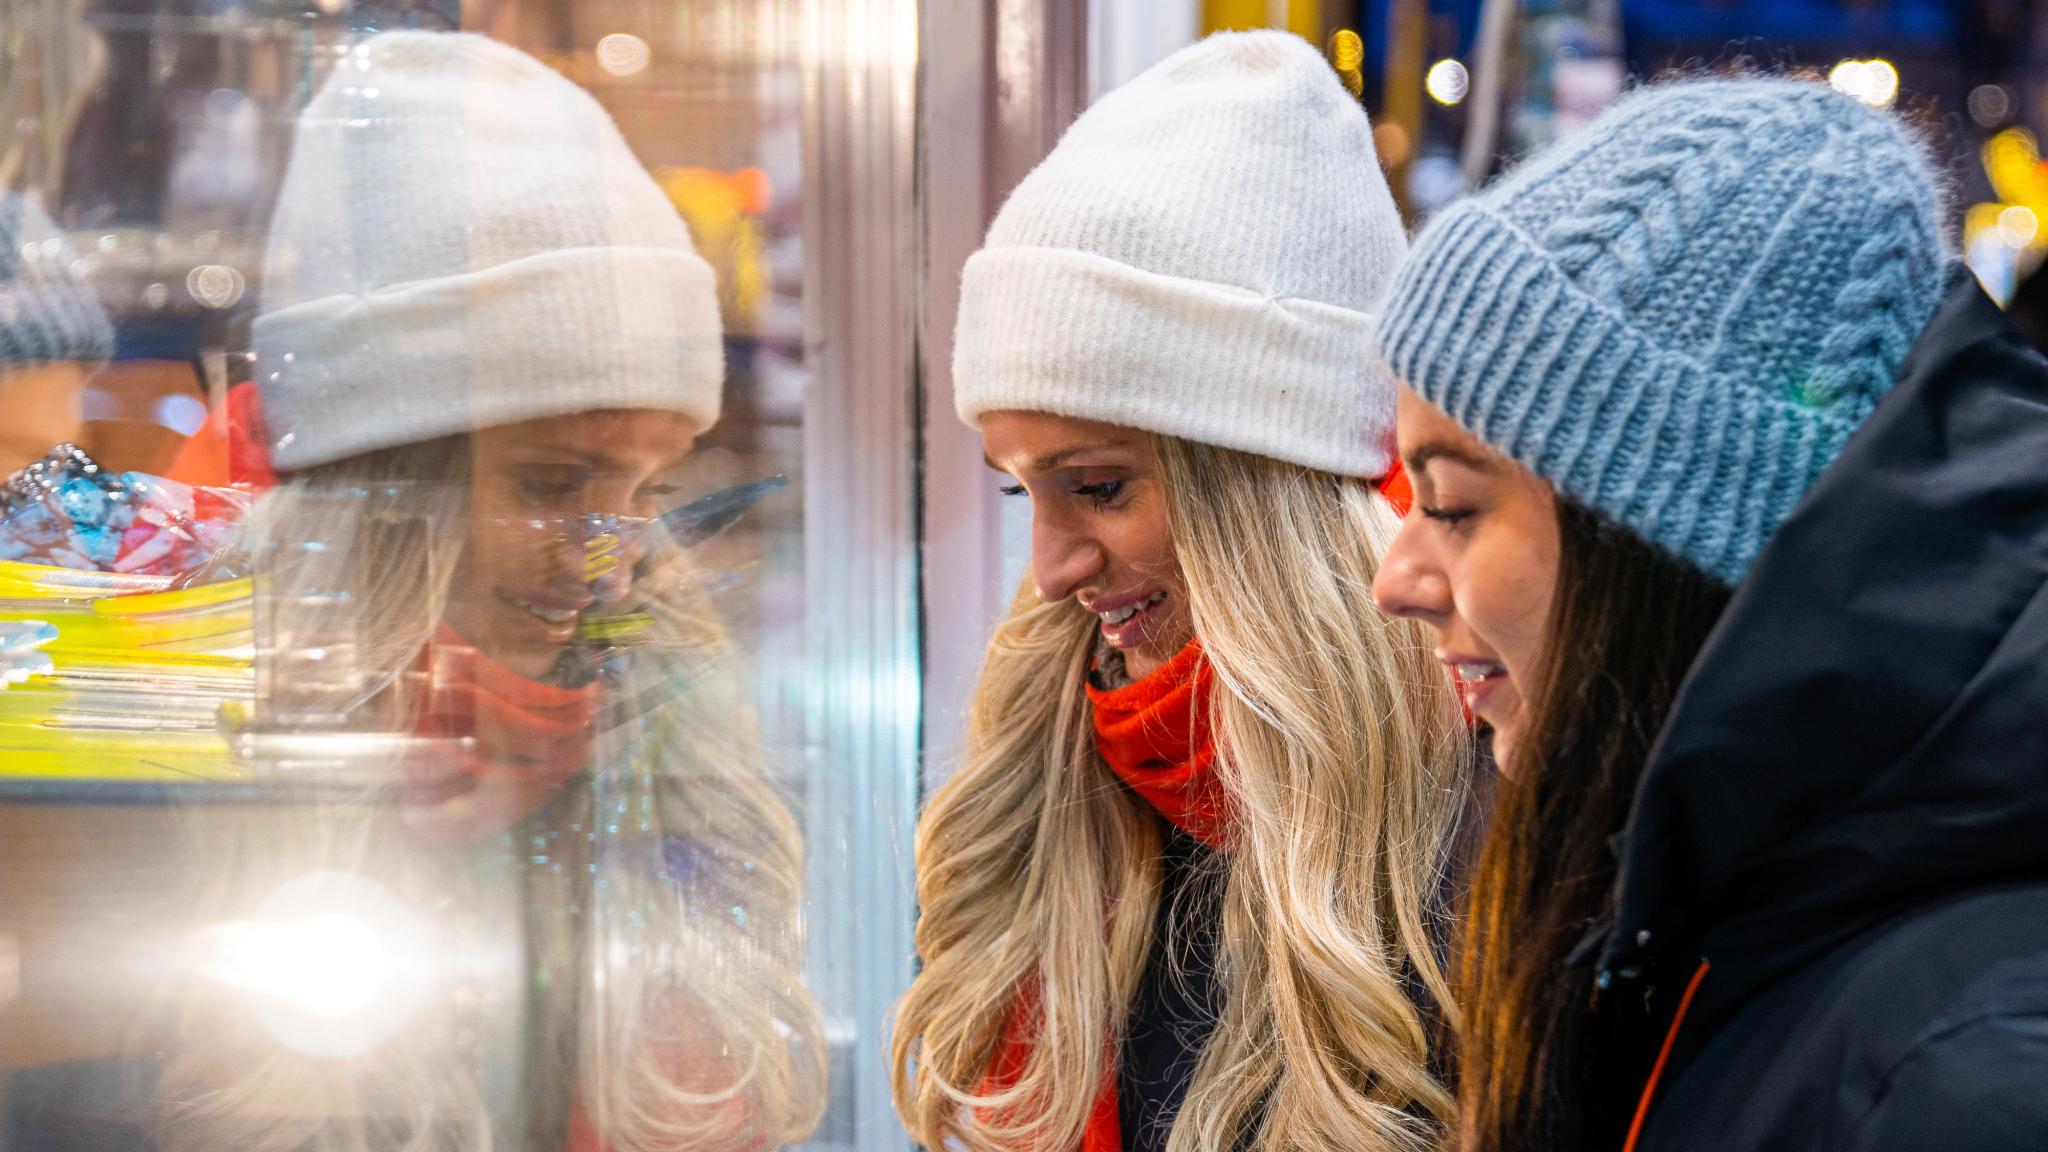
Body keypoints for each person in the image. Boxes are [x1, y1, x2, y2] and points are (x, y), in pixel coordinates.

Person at [125, 31, 822, 1152]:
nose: (610, 551)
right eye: (551, 482)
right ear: (379, 478)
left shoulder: (660, 717)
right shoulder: (142, 727)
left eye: (647, 485)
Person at [1371, 77, 2048, 1152]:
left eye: (1451, 506)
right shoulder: (1713, 906)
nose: (1392, 578)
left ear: (1665, 529)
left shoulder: (1965, 1075)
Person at [891, 32, 1471, 1152]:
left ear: (1261, 490)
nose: (1051, 568)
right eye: (1021, 493)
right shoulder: (1047, 787)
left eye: (1098, 486)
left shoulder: (1479, 810)